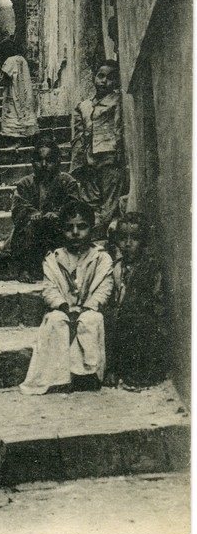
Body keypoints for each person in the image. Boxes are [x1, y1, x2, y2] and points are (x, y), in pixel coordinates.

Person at [20, 200, 114, 395]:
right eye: (69, 228)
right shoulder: (54, 259)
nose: (75, 233)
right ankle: (59, 377)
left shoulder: (101, 257)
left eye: (82, 227)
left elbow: (104, 288)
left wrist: (87, 307)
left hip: (90, 309)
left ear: (92, 228)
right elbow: (49, 289)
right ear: (61, 230)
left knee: (91, 320)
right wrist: (63, 307)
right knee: (55, 320)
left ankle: (87, 374)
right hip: (64, 309)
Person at [0, 139, 80, 282]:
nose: (44, 165)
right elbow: (18, 207)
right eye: (39, 161)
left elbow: (74, 205)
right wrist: (33, 214)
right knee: (26, 228)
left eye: (50, 160)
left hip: (58, 230)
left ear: (58, 162)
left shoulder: (67, 182)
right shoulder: (25, 183)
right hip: (33, 232)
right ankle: (26, 269)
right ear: (32, 163)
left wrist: (58, 213)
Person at [106, 212, 167, 388]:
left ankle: (139, 371)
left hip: (142, 321)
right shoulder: (116, 267)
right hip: (120, 321)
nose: (128, 244)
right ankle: (113, 369)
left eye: (135, 238)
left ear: (144, 241)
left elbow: (156, 299)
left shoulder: (150, 266)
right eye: (123, 238)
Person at [70, 60, 124, 233]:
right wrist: (78, 162)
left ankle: (105, 235)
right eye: (100, 76)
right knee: (89, 202)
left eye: (110, 78)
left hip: (109, 159)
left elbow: (119, 129)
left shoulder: (117, 101)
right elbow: (78, 136)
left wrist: (118, 155)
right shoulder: (83, 106)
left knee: (109, 205)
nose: (104, 81)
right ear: (94, 77)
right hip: (88, 161)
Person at [0, 38, 39, 140]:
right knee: (25, 111)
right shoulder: (22, 59)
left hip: (13, 91)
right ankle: (26, 132)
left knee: (13, 112)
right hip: (25, 91)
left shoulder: (9, 60)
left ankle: (14, 136)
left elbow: (5, 78)